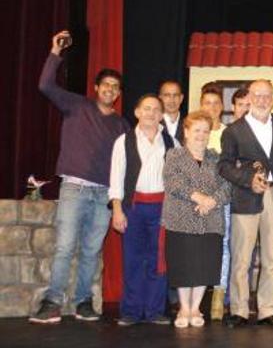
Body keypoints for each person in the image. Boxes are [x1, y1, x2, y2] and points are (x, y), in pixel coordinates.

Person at [30, 31, 130, 324]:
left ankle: (83, 302)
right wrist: (54, 52)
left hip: (103, 194)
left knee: (91, 250)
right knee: (64, 247)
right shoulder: (76, 105)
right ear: (96, 87)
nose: (110, 89)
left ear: (119, 93)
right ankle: (51, 302)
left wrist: (118, 199)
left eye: (115, 86)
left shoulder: (123, 125)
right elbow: (45, 85)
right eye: (106, 84)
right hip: (74, 187)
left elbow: (125, 165)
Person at [218, 79, 273, 327]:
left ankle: (267, 310)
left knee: (272, 259)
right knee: (241, 258)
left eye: (266, 95)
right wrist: (248, 179)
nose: (262, 100)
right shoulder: (233, 131)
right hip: (246, 197)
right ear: (249, 97)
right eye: (257, 95)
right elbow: (224, 166)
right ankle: (238, 309)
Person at [107, 94, 176, 326]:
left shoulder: (170, 142)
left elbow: (176, 179)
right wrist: (117, 209)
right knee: (134, 260)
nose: (151, 113)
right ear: (137, 112)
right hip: (133, 208)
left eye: (156, 110)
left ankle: (156, 310)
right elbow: (116, 178)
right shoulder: (123, 141)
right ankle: (131, 311)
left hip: (162, 208)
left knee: (159, 261)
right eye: (146, 109)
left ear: (161, 114)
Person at [162, 111, 232, 328]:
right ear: (186, 131)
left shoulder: (217, 158)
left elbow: (227, 185)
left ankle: (196, 308)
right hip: (181, 219)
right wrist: (199, 197)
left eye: (205, 131)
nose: (201, 135)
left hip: (210, 220)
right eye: (196, 130)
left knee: (204, 266)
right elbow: (172, 182)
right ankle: (184, 308)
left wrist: (212, 201)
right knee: (183, 265)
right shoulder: (174, 155)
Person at [199, 86, 230, 320]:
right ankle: (196, 299)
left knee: (225, 245)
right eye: (207, 103)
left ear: (221, 106)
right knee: (198, 245)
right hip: (198, 199)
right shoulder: (195, 131)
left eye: (215, 103)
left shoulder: (230, 134)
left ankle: (218, 300)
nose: (211, 107)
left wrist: (217, 197)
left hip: (223, 199)